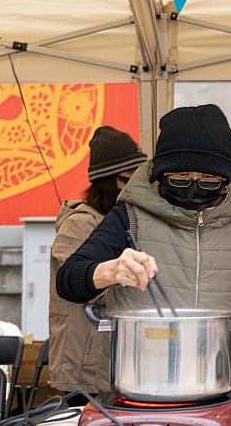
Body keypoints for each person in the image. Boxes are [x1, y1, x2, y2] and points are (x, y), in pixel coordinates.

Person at [56, 105, 231, 396]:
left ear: (225, 180)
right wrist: (109, 270)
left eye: (209, 181)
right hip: (138, 388)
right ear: (159, 176)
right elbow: (68, 281)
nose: (194, 188)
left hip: (220, 389)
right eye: (180, 179)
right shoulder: (129, 218)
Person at [48, 127, 147, 396]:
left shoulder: (109, 222)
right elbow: (76, 286)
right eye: (133, 180)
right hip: (82, 365)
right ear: (114, 181)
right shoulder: (80, 223)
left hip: (105, 361)